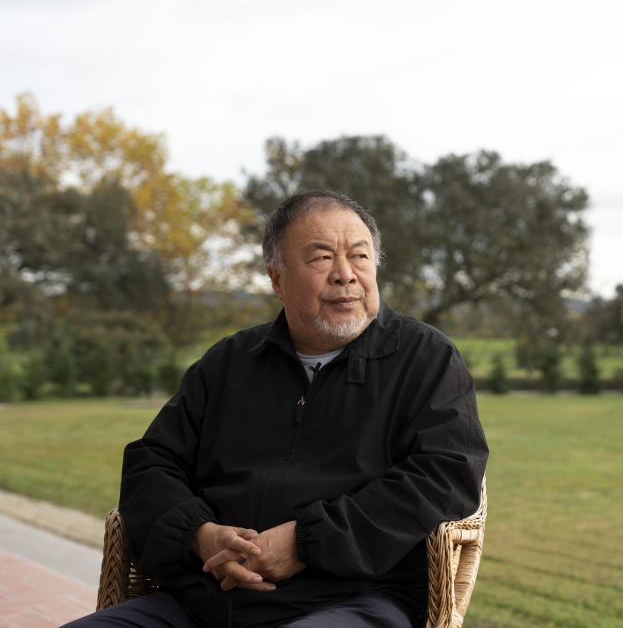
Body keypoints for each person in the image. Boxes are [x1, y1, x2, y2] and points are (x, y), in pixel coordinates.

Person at [65, 190, 488, 628]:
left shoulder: (425, 359)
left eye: (360, 256)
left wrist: (306, 543)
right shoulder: (228, 363)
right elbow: (149, 464)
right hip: (201, 601)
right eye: (322, 258)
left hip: (353, 601)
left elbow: (445, 474)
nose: (345, 275)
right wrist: (202, 536)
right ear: (277, 278)